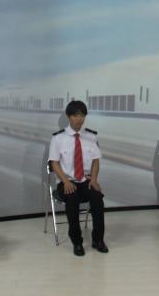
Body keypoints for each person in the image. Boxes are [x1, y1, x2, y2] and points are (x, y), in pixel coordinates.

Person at [47, 100, 107, 256]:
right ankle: (77, 242)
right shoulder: (58, 138)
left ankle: (98, 240)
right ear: (69, 117)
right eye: (75, 115)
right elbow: (54, 164)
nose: (79, 119)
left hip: (85, 180)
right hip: (66, 181)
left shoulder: (91, 136)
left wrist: (94, 180)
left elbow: (96, 161)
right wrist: (66, 181)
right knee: (72, 198)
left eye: (82, 115)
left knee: (97, 198)